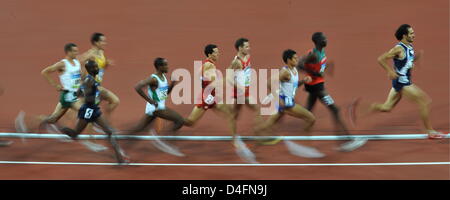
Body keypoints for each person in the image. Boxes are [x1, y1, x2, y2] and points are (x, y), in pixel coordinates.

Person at [368, 24, 445, 139]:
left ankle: (367, 108)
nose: (414, 35)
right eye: (411, 33)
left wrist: (415, 60)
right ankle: (430, 132)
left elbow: (404, 62)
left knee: (387, 107)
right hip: (402, 83)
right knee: (424, 102)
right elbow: (381, 59)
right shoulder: (398, 48)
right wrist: (389, 71)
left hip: (400, 82)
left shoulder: (409, 46)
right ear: (404, 35)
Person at [184, 44, 257, 163]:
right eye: (216, 53)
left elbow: (198, 75)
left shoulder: (207, 64)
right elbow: (216, 83)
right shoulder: (209, 65)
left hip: (212, 97)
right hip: (207, 98)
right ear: (209, 54)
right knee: (190, 122)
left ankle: (234, 140)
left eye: (218, 52)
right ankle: (173, 120)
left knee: (230, 114)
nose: (219, 54)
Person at [297, 32, 367, 151]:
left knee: (307, 112)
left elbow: (313, 67)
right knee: (335, 110)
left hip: (316, 85)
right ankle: (346, 141)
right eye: (324, 39)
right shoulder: (314, 54)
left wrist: (318, 72)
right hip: (317, 88)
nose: (326, 40)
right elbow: (299, 65)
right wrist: (315, 73)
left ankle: (284, 112)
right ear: (318, 41)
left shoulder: (321, 52)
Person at [255, 49, 326, 157]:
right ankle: (307, 145)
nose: (297, 59)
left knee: (269, 124)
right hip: (287, 104)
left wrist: (303, 81)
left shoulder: (294, 70)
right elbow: (269, 82)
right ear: (289, 60)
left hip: (285, 102)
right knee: (311, 118)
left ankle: (255, 140)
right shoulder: (285, 72)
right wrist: (278, 99)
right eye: (295, 58)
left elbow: (292, 85)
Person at [59, 60, 128, 164]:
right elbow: (87, 98)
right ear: (90, 69)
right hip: (88, 110)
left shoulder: (90, 80)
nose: (97, 69)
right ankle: (62, 128)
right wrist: (97, 95)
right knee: (75, 134)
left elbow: (78, 93)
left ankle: (119, 158)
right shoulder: (89, 81)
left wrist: (93, 94)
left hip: (94, 109)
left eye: (97, 67)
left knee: (109, 131)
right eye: (95, 67)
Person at [125, 57, 185, 156]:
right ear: (159, 67)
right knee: (179, 120)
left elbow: (165, 94)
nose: (167, 66)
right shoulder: (153, 79)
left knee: (139, 129)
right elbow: (137, 87)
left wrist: (173, 84)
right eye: (165, 65)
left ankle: (120, 141)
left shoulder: (163, 77)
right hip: (156, 108)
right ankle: (165, 142)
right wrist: (150, 100)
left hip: (155, 107)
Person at [79, 33, 120, 131]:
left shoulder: (101, 52)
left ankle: (102, 124)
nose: (104, 43)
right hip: (90, 87)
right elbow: (79, 60)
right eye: (102, 41)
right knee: (113, 101)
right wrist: (84, 77)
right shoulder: (91, 54)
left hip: (97, 86)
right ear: (96, 42)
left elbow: (101, 66)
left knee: (113, 102)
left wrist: (106, 63)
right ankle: (92, 137)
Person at [227, 38, 263, 133]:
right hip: (239, 93)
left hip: (245, 91)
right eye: (246, 47)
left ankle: (258, 132)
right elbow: (228, 77)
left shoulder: (247, 56)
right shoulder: (236, 62)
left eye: (248, 46)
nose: (249, 48)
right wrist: (239, 87)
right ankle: (235, 138)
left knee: (254, 109)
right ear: (240, 48)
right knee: (235, 115)